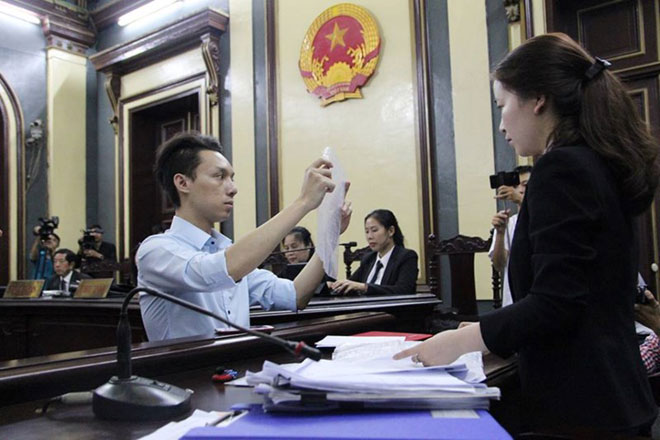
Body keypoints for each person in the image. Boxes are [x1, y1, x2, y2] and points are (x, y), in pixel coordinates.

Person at [395, 33, 660, 435]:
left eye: (502, 106)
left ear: (537, 99)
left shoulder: (561, 168)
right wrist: (488, 331)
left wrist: (458, 342)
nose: (502, 125)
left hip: (582, 405)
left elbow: (556, 302)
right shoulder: (595, 162)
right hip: (614, 396)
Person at [137, 132, 351, 341]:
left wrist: (330, 233)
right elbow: (213, 271)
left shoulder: (228, 253)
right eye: (219, 176)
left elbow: (295, 296)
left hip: (238, 364)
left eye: (232, 178)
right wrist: (303, 202)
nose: (233, 189)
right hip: (185, 366)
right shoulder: (155, 250)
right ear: (183, 183)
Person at [329, 209, 418, 296]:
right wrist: (333, 285)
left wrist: (365, 287)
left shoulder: (407, 257)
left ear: (391, 231)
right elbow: (351, 283)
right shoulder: (369, 258)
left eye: (374, 230)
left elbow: (403, 290)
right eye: (367, 232)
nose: (369, 236)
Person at [489, 165, 532, 307]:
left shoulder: (545, 220)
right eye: (516, 185)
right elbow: (499, 264)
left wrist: (521, 200)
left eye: (526, 185)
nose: (520, 189)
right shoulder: (509, 222)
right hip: (512, 301)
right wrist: (500, 234)